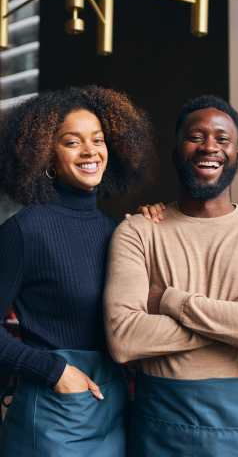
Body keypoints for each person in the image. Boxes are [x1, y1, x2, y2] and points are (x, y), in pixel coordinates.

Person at [0, 85, 163, 457]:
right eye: (73, 142)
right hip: (57, 412)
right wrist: (55, 373)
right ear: (47, 157)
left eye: (98, 140)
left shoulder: (116, 229)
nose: (90, 151)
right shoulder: (25, 230)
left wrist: (156, 224)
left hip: (115, 405)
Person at [104, 95, 238, 457]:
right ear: (176, 152)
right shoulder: (137, 232)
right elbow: (124, 340)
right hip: (160, 423)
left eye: (223, 139)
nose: (209, 146)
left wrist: (168, 300)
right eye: (196, 137)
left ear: (236, 156)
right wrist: (236, 322)